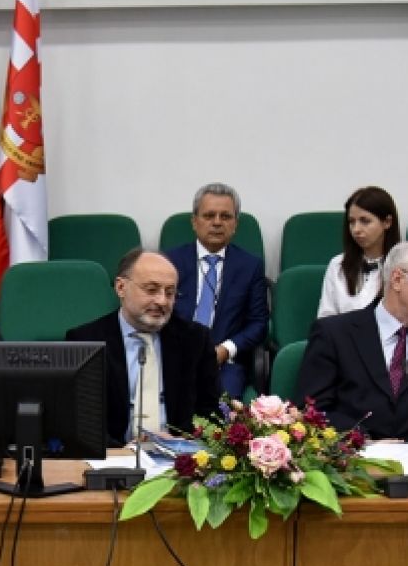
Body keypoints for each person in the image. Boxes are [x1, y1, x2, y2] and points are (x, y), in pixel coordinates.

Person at [295, 238, 408, 441]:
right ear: (397, 279)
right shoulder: (334, 334)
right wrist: (366, 441)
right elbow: (312, 411)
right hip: (353, 455)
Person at [65, 249, 223, 446]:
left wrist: (182, 444)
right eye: (151, 290)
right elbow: (81, 422)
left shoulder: (195, 340)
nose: (162, 301)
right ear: (121, 287)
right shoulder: (86, 341)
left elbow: (209, 413)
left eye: (170, 293)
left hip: (178, 457)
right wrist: (124, 451)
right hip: (115, 455)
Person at [167, 183, 269, 398]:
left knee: (219, 410)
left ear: (235, 224)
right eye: (209, 215)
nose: (217, 222)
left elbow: (258, 323)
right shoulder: (170, 262)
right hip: (175, 357)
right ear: (194, 222)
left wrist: (226, 350)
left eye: (225, 216)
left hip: (224, 363)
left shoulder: (250, 266)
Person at [318, 186, 401, 317]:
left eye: (365, 221)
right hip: (342, 330)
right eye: (351, 222)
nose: (356, 229)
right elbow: (326, 318)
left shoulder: (405, 266)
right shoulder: (338, 264)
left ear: (387, 222)